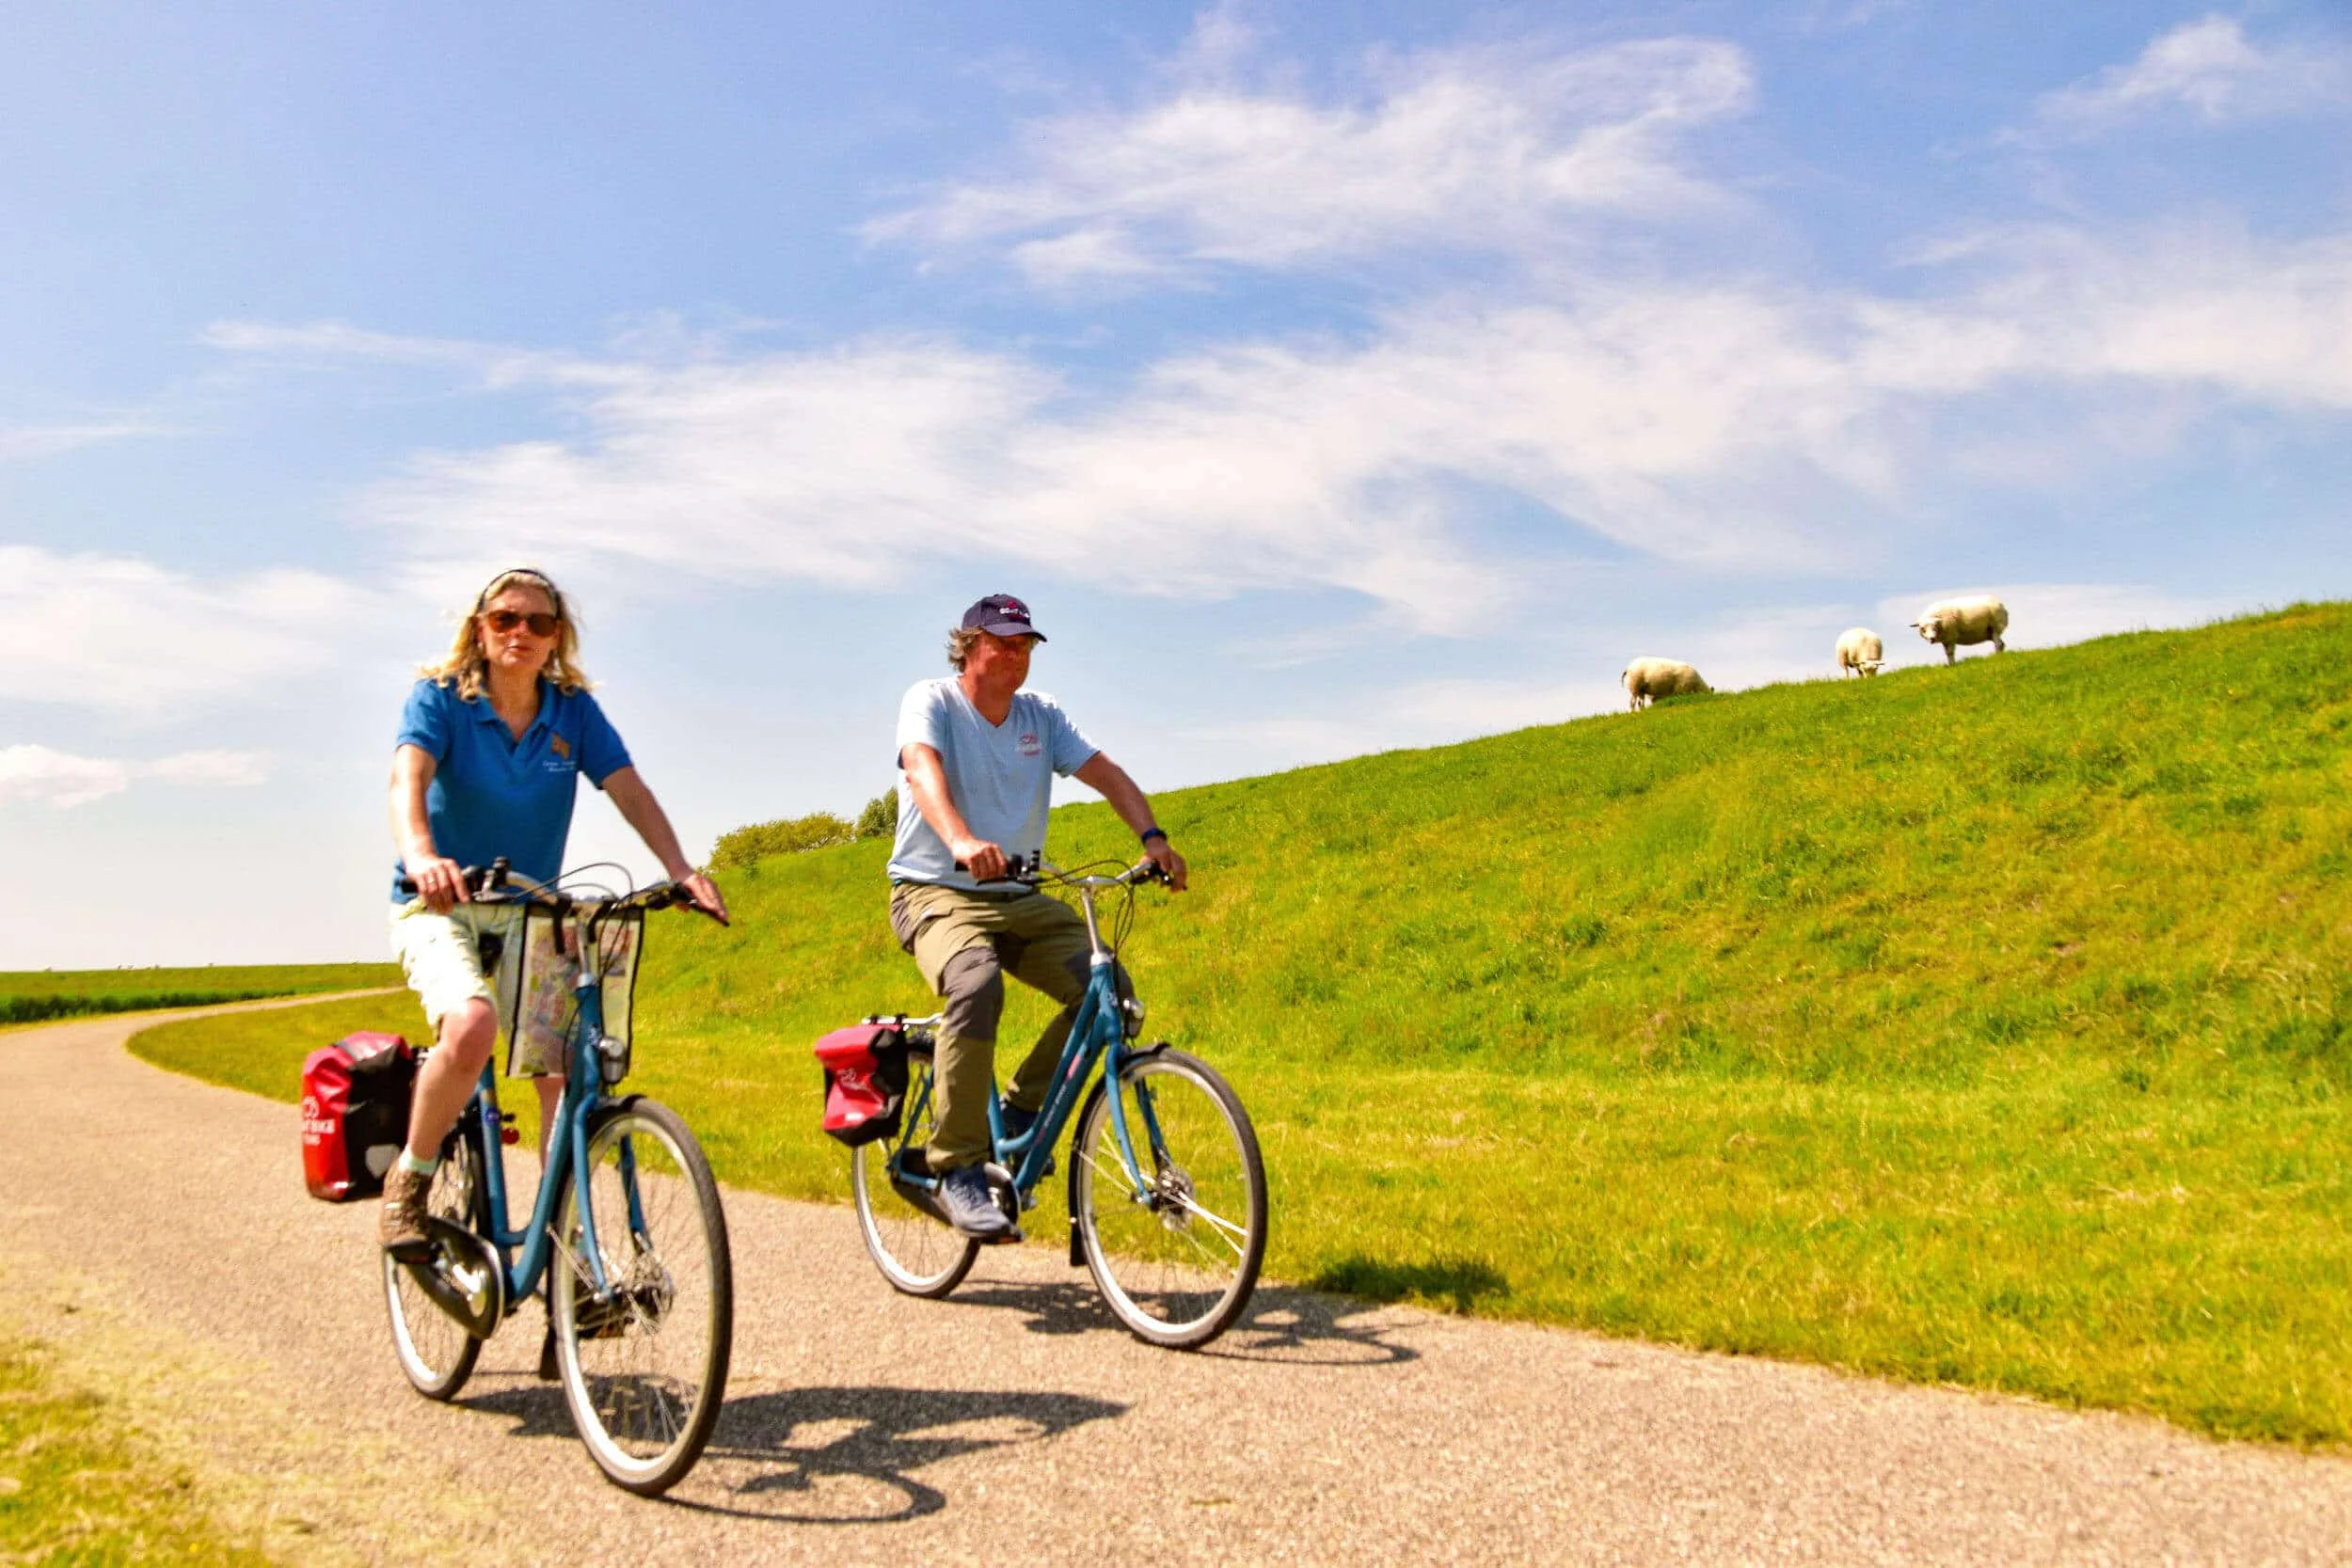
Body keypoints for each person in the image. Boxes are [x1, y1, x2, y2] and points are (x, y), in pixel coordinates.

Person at [381, 566, 727, 1256]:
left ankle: (568, 1252)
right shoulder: (441, 698)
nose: (521, 633)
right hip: (441, 902)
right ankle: (409, 1183)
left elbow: (627, 788)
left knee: (566, 1068)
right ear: (480, 629)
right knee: (472, 1024)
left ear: (556, 637)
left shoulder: (571, 710)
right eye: (505, 619)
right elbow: (407, 778)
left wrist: (680, 869)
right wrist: (422, 853)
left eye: (539, 623)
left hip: (528, 910)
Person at [887, 593, 1187, 1240]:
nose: (1017, 656)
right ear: (969, 646)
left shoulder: (1040, 717)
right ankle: (957, 1167)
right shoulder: (931, 701)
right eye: (1002, 642)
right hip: (934, 889)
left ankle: (1020, 1113)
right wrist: (963, 839)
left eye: (1026, 645)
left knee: (1114, 994)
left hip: (1015, 894)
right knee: (974, 980)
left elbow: (1106, 772)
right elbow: (921, 769)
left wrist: (1153, 837)